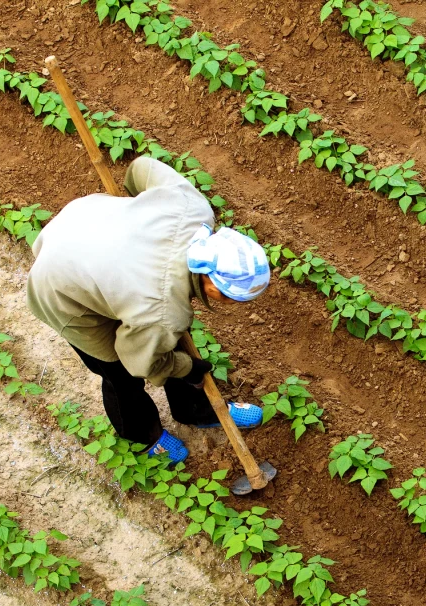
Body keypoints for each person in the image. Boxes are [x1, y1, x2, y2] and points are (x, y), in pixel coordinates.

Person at [26, 155, 270, 464]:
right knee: (119, 373)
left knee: (164, 336)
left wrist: (136, 213)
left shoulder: (194, 209)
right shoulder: (162, 310)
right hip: (61, 285)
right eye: (231, 297)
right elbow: (140, 360)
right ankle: (143, 434)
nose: (234, 305)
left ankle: (194, 410)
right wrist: (186, 368)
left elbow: (143, 169)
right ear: (210, 282)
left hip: (85, 223)